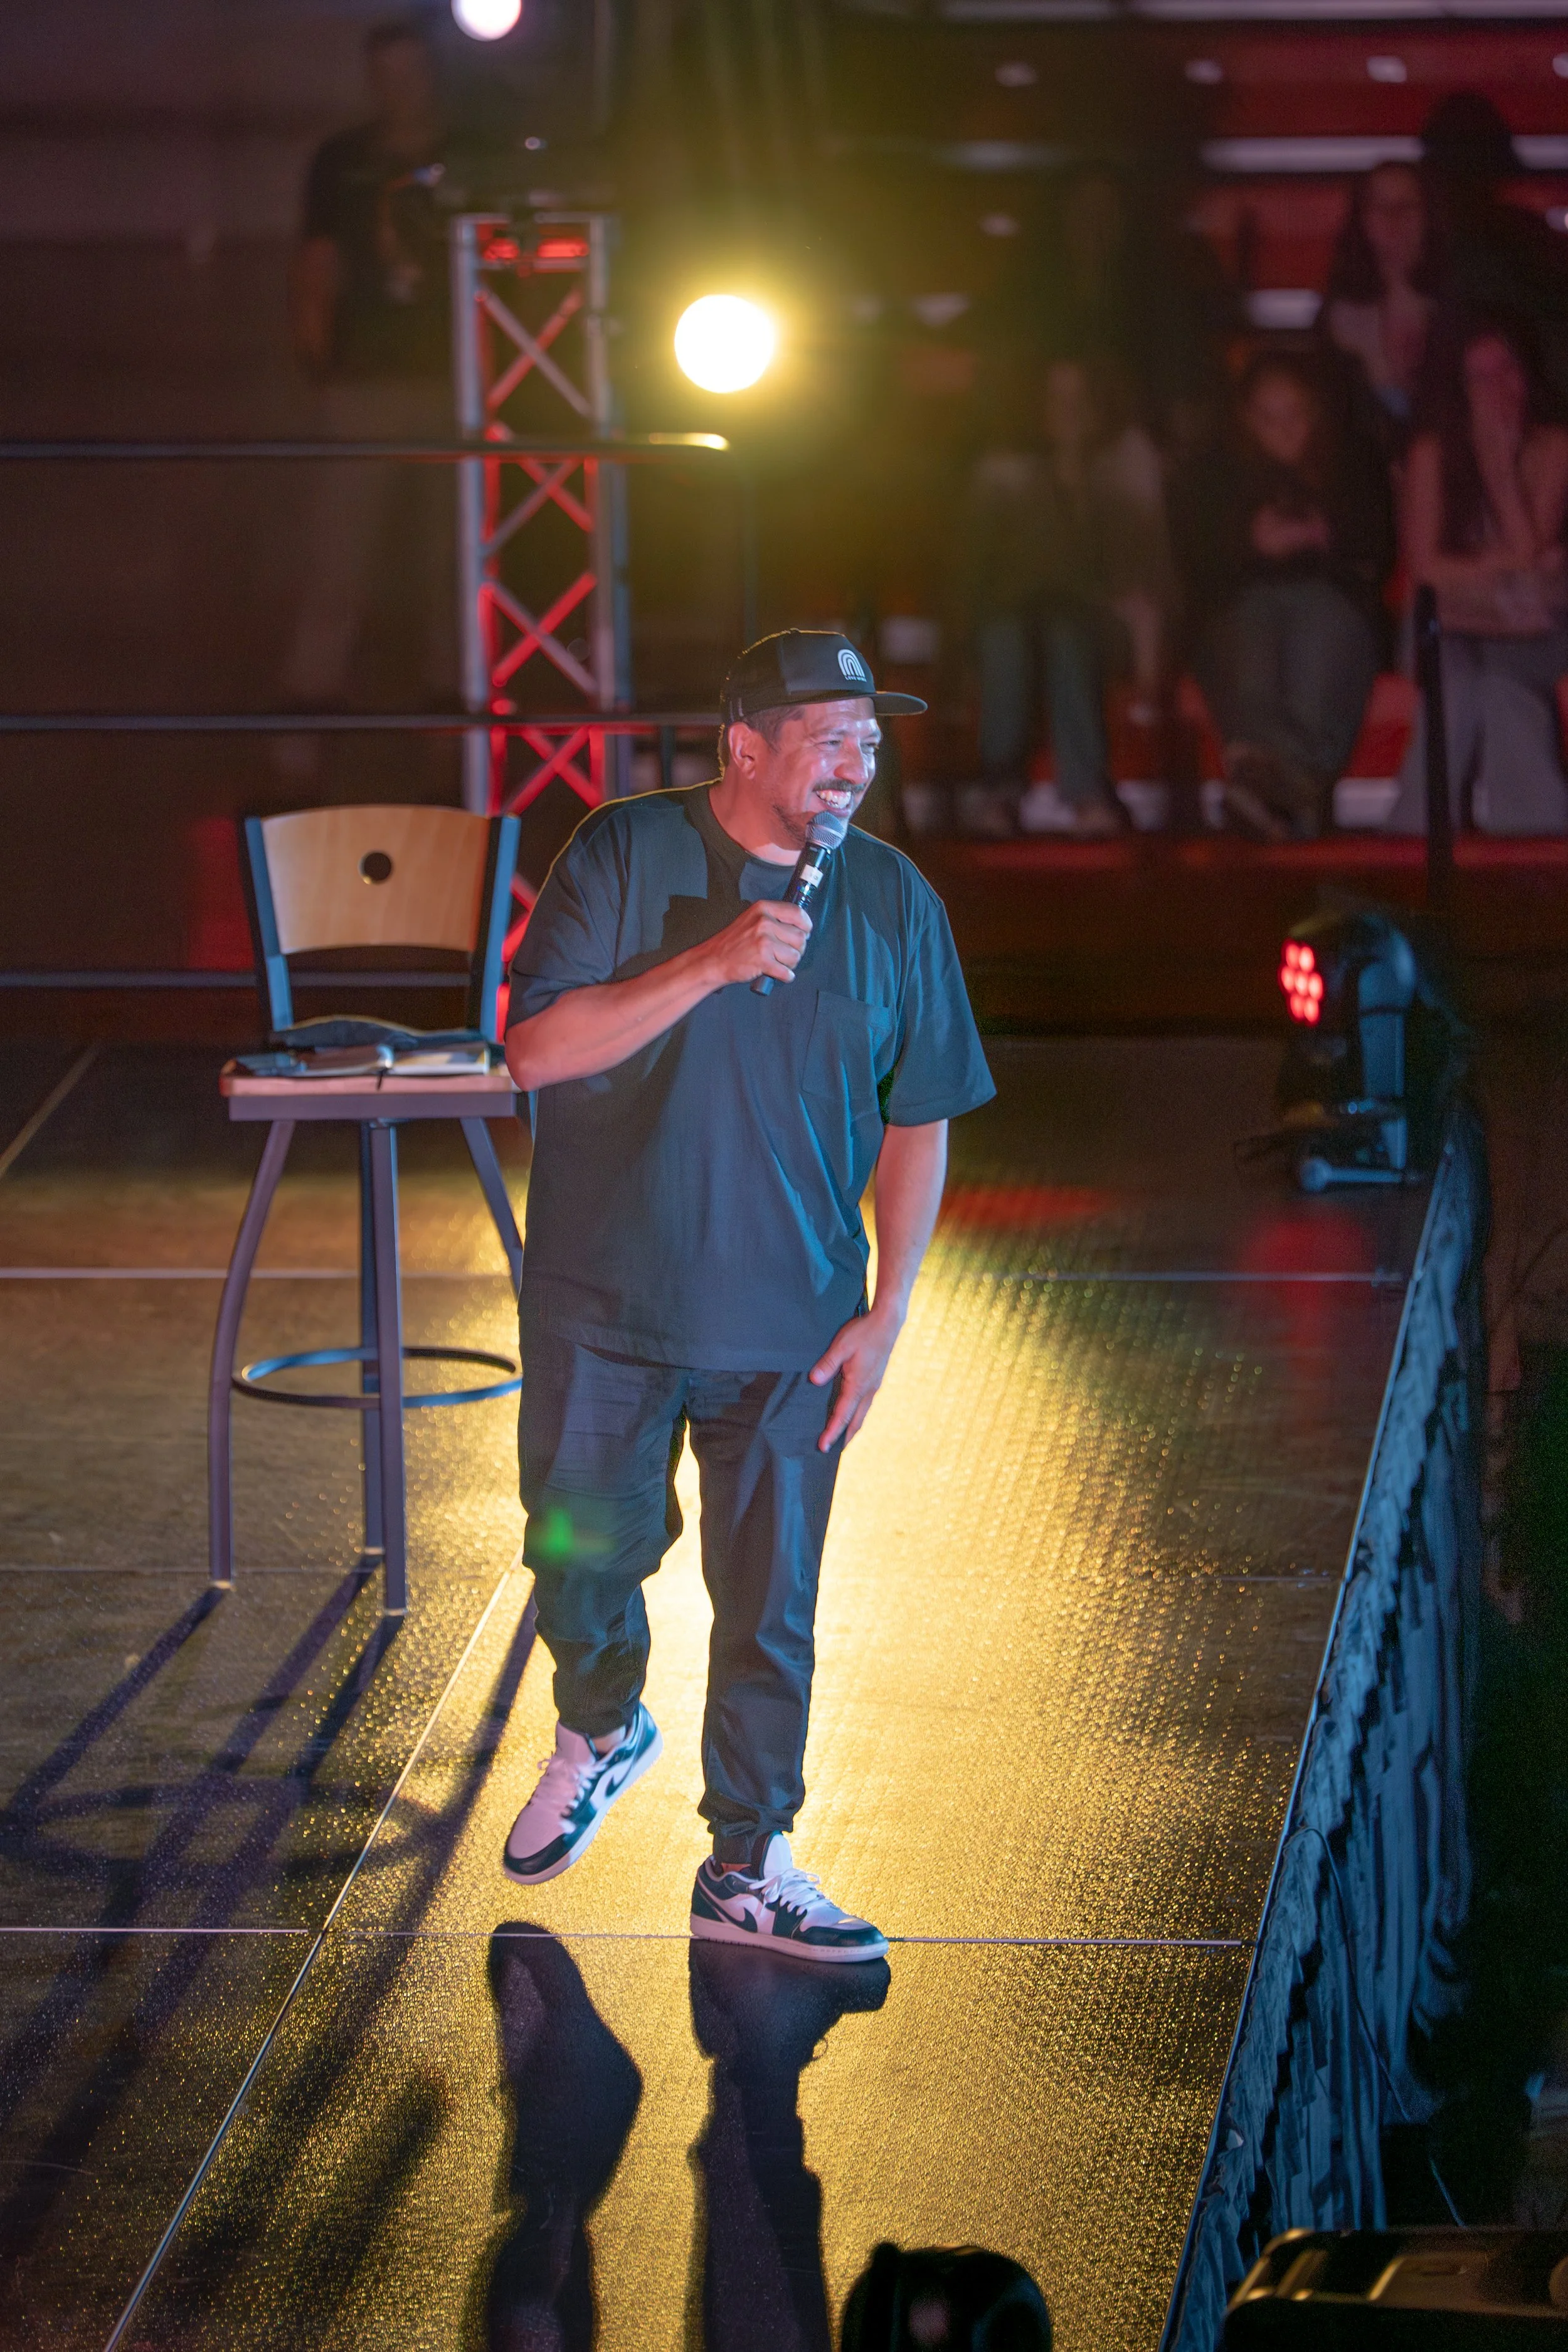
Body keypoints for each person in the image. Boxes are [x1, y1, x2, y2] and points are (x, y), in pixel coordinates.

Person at [499, 630, 996, 1960]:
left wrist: (889, 1312)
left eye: (868, 744)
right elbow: (535, 1052)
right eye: (829, 740)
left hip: (792, 1326)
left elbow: (922, 1112)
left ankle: (748, 1861)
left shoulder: (891, 901)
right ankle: (601, 1725)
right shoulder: (621, 853)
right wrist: (711, 964)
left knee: (770, 1608)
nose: (856, 765)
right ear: (743, 748)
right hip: (607, 1309)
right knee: (577, 1552)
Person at [277, 18, 460, 756]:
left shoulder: (469, 156)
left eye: (411, 73)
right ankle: (301, 742)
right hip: (367, 385)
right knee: (337, 564)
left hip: (457, 386)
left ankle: (458, 746)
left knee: (457, 569)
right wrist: (321, 366)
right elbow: (316, 267)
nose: (399, 90)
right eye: (387, 75)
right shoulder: (343, 160)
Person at [959, 356, 1177, 838]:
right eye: (1057, 399)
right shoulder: (1005, 476)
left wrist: (1147, 665)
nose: (1068, 412)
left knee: (1066, 631)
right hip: (1017, 620)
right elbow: (977, 575)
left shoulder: (1124, 468)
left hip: (1099, 627)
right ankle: (999, 790)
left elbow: (1145, 575)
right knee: (1008, 634)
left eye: (1079, 399)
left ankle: (1087, 792)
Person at [1177, 354, 1391, 840]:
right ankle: (1289, 802)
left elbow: (1377, 546)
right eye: (1268, 418)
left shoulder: (1354, 464)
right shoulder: (1215, 474)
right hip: (1241, 611)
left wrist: (1323, 535)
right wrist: (1251, 542)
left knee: (1316, 622)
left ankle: (1267, 793)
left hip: (1335, 608)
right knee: (1253, 632)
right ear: (1245, 418)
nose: (1284, 431)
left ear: (1317, 412)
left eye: (1296, 414)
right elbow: (1200, 567)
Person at [1386, 310, 1568, 837]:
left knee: (1503, 688)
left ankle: (1534, 841)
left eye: (1507, 369)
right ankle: (1415, 841)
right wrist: (1500, 569)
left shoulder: (1555, 447)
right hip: (1452, 620)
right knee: (1458, 685)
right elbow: (1426, 569)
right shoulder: (1432, 453)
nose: (1498, 387)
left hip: (1531, 625)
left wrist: (1500, 470)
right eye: (1480, 377)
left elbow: (1529, 557)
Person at [1321, 161, 1446, 457]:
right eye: (1380, 206)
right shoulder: (1339, 319)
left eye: (1407, 206)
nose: (1394, 218)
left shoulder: (1462, 304)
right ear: (1360, 220)